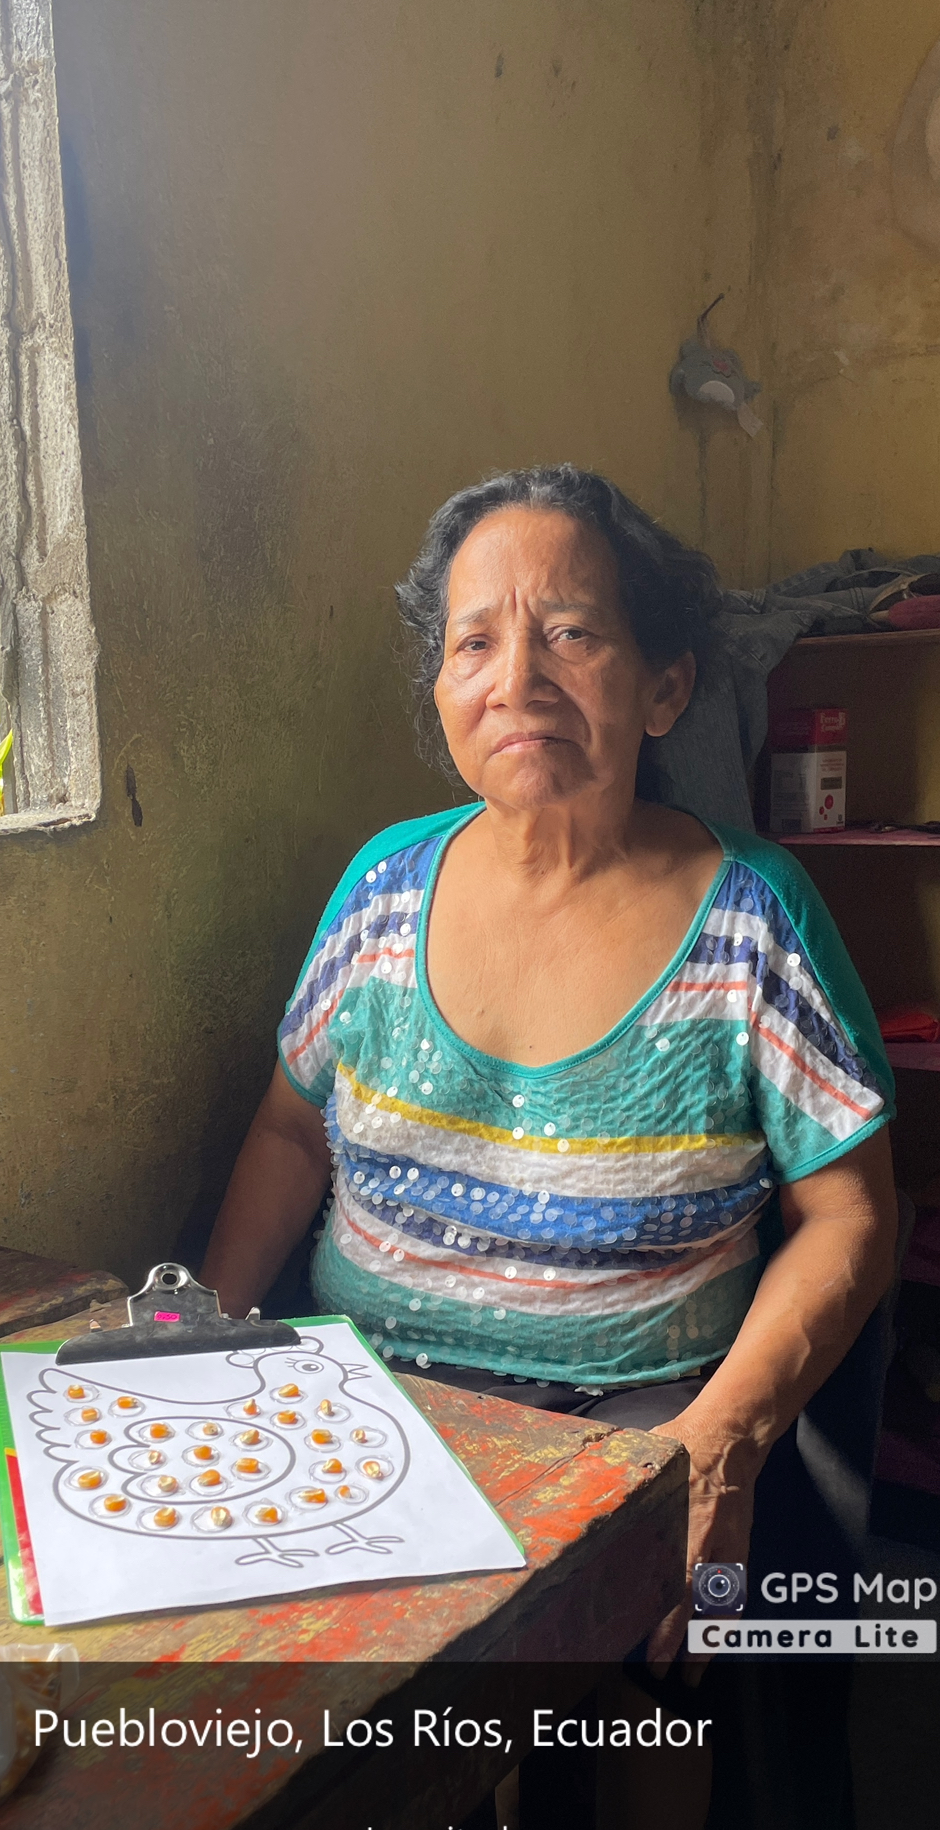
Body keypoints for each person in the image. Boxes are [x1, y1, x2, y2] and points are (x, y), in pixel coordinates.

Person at [202, 464, 897, 1665]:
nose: (516, 680)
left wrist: (717, 1447)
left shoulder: (754, 918)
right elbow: (289, 1130)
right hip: (360, 1401)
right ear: (442, 688)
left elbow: (852, 1214)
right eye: (475, 642)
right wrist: (198, 1334)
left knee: (593, 1685)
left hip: (631, 1422)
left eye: (571, 633)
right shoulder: (381, 888)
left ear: (666, 686)